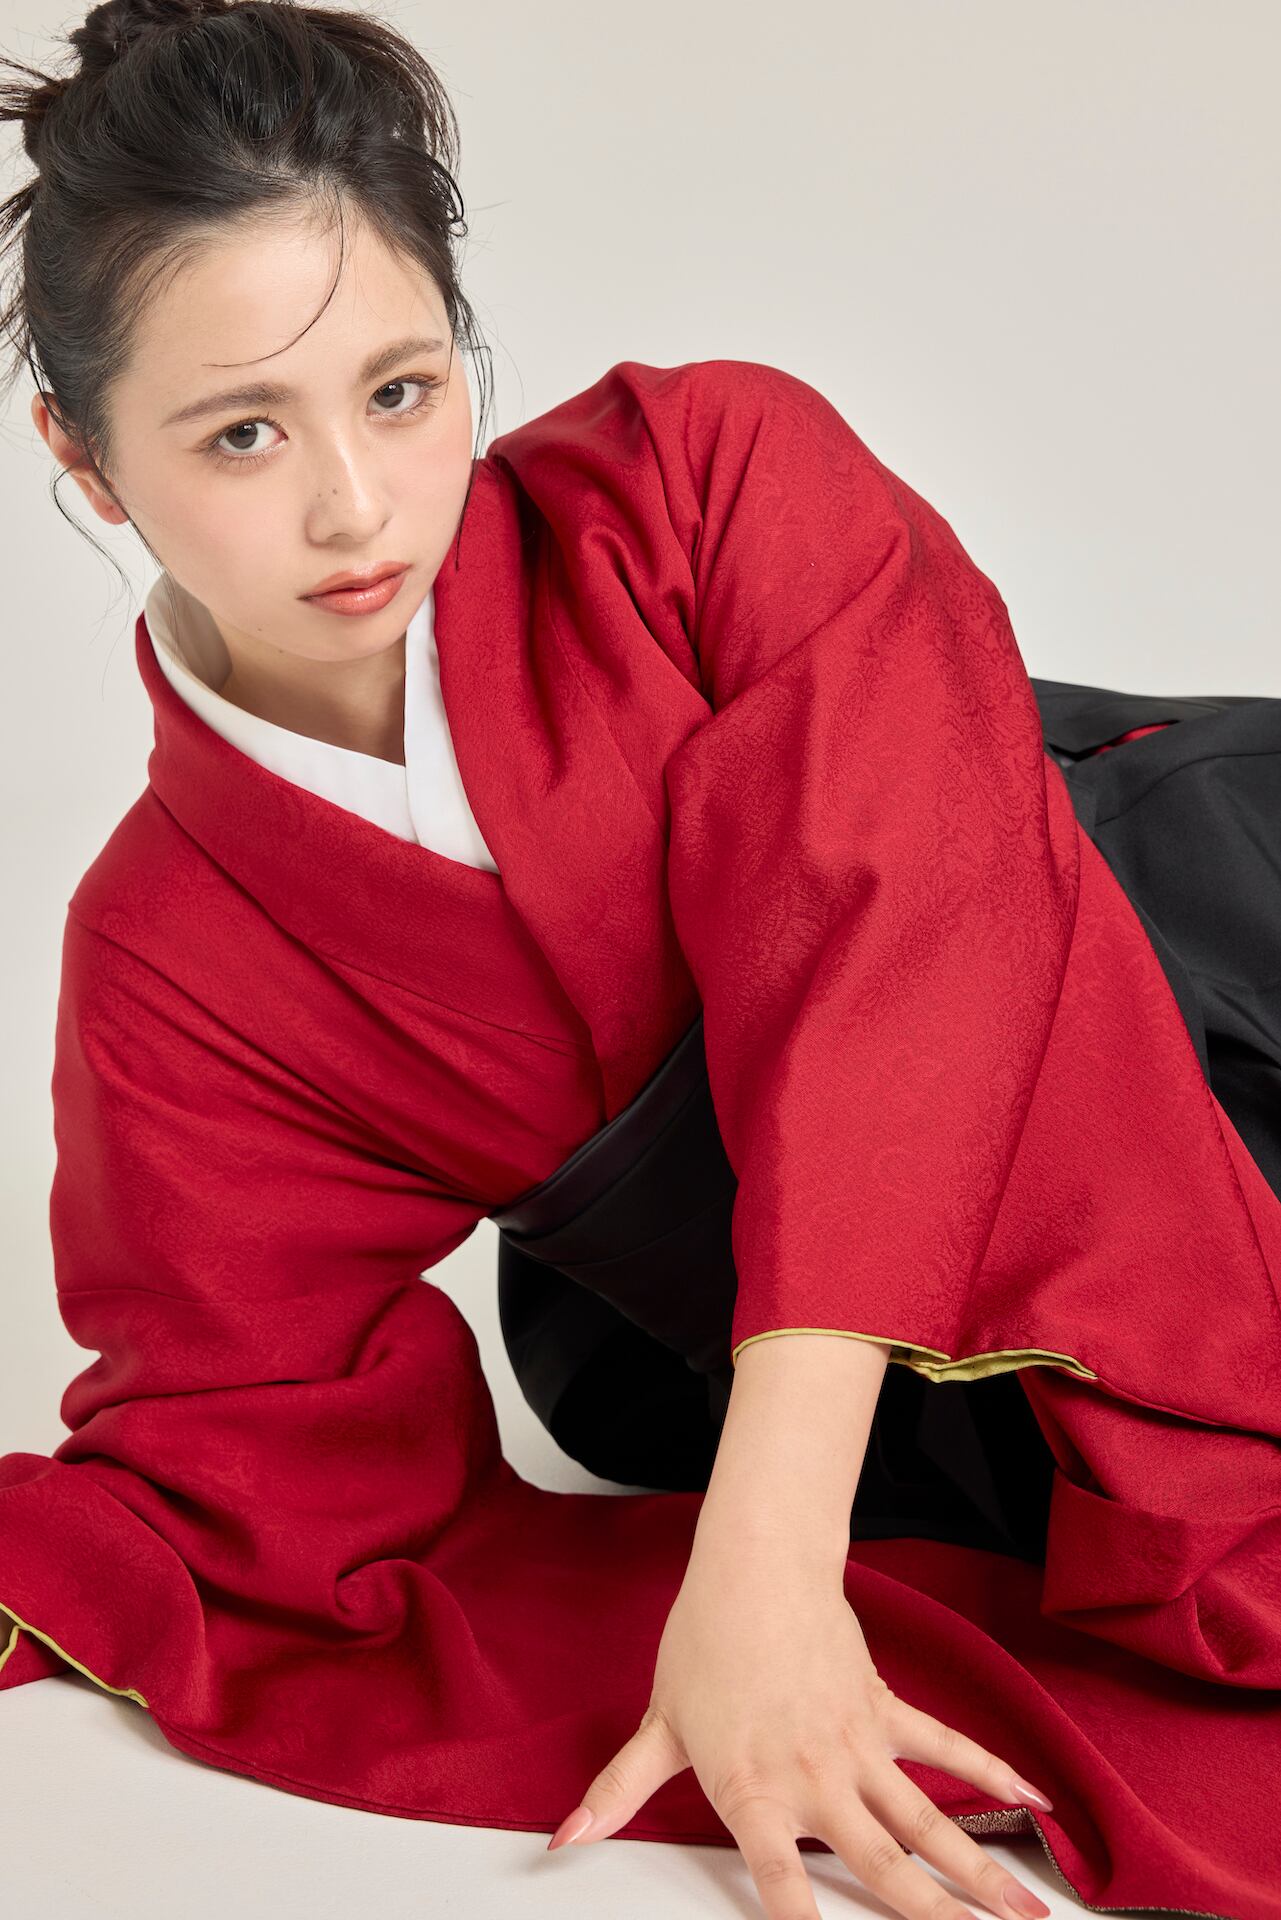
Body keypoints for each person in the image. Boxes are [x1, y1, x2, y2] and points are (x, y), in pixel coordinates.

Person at [0, 5, 1278, 1918]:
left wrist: (758, 1562)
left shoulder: (703, 476)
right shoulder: (169, 952)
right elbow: (242, 1439)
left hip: (1188, 977)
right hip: (897, 1384)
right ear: (83, 455)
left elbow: (909, 949)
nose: (353, 505)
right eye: (242, 432)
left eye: (401, 391)